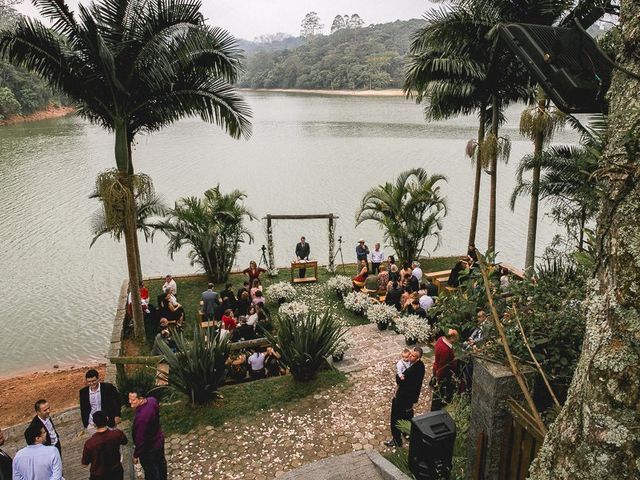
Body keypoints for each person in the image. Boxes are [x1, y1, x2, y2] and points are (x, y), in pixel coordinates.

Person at [385, 347, 425, 448]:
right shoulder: (421, 366)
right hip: (411, 397)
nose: (410, 356)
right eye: (410, 354)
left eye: (413, 356)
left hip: (403, 397)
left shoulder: (412, 370)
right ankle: (407, 433)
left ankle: (397, 440)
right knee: (407, 415)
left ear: (418, 358)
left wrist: (398, 376)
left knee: (396, 418)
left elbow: (399, 380)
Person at [129, 389, 167, 480]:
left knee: (150, 472)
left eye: (133, 400)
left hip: (148, 448)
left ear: (141, 399)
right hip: (158, 440)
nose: (130, 402)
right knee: (161, 465)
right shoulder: (152, 400)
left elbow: (140, 440)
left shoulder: (142, 419)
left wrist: (135, 455)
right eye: (129, 399)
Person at [81, 411, 128, 480]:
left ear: (94, 424)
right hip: (116, 472)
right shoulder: (117, 434)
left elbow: (84, 464)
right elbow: (125, 441)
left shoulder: (90, 443)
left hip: (98, 476)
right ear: (107, 418)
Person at [431, 329, 459, 411]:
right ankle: (435, 408)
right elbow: (442, 366)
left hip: (437, 368)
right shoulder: (445, 350)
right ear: (452, 337)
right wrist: (438, 378)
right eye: (456, 337)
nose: (457, 339)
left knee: (443, 388)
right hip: (441, 372)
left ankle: (443, 401)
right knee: (439, 389)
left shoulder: (441, 339)